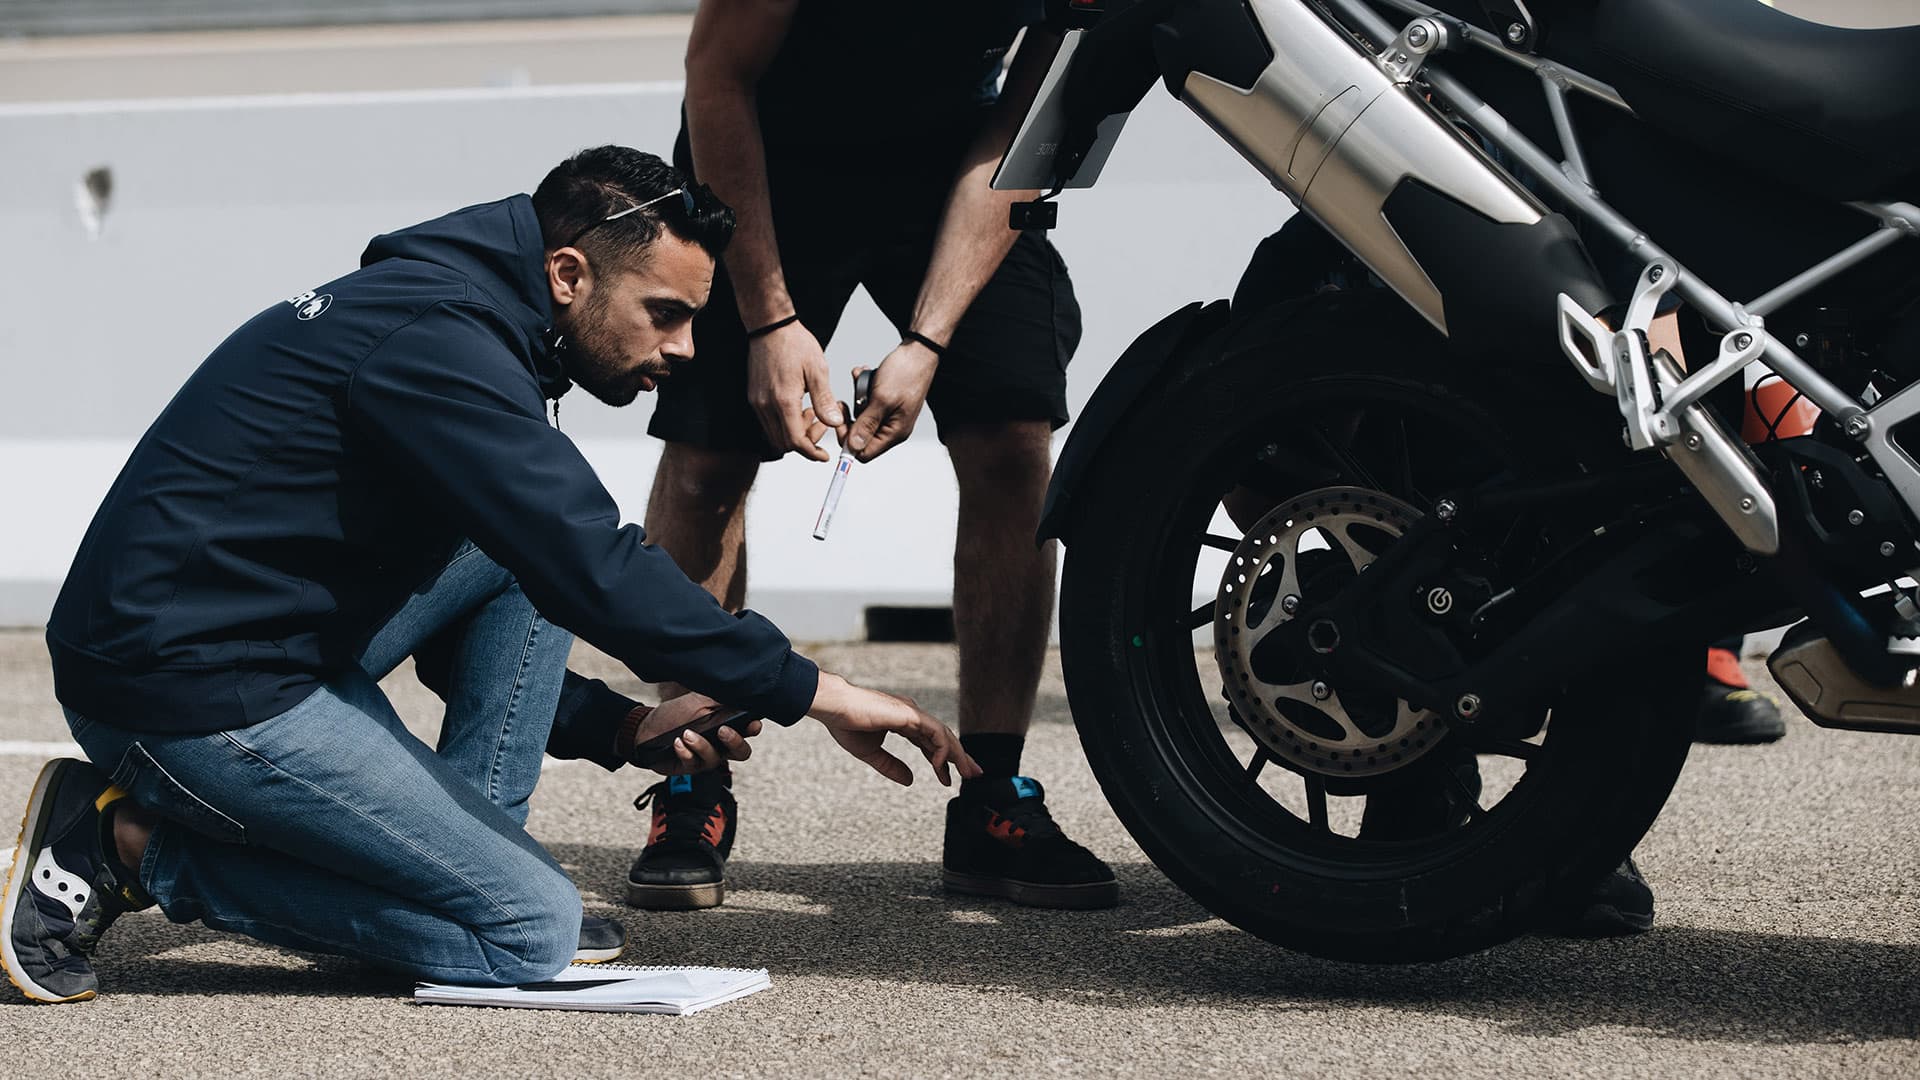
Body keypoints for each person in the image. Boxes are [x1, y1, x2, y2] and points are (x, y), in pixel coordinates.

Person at [2, 145, 978, 1005]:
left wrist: (618, 725)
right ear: (566, 273)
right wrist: (820, 691)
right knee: (525, 934)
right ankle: (120, 846)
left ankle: (459, 880)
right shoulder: (441, 347)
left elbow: (494, 591)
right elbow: (594, 565)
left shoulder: (472, 326)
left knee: (516, 543)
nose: (684, 348)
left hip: (265, 644)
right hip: (186, 687)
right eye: (667, 314)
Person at [625, 0, 1116, 912]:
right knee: (709, 462)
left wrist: (926, 342)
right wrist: (771, 318)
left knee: (1012, 440)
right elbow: (716, 76)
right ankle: (694, 773)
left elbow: (1029, 117)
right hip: (768, 150)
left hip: (960, 156)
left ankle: (990, 795)